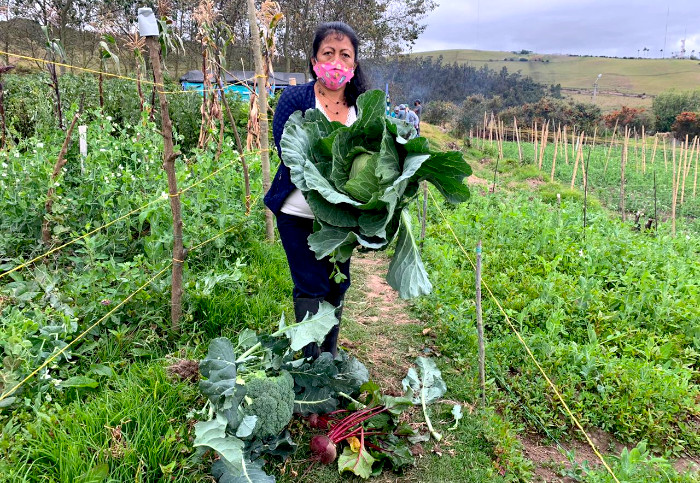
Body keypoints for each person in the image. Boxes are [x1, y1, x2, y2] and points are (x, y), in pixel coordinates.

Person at [264, 21, 368, 359]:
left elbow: (378, 155)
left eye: (345, 55)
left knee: (338, 285)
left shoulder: (364, 106)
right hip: (297, 213)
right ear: (314, 60)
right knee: (311, 286)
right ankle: (312, 364)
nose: (336, 62)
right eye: (328, 53)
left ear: (354, 64)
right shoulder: (294, 98)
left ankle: (329, 353)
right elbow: (287, 151)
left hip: (340, 223)